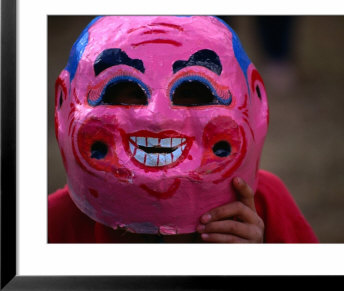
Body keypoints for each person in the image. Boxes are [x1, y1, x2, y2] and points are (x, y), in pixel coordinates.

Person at [49, 16, 318, 244]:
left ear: (257, 102)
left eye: (193, 91)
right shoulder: (51, 226)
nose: (157, 119)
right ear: (63, 104)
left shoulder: (269, 204)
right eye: (125, 92)